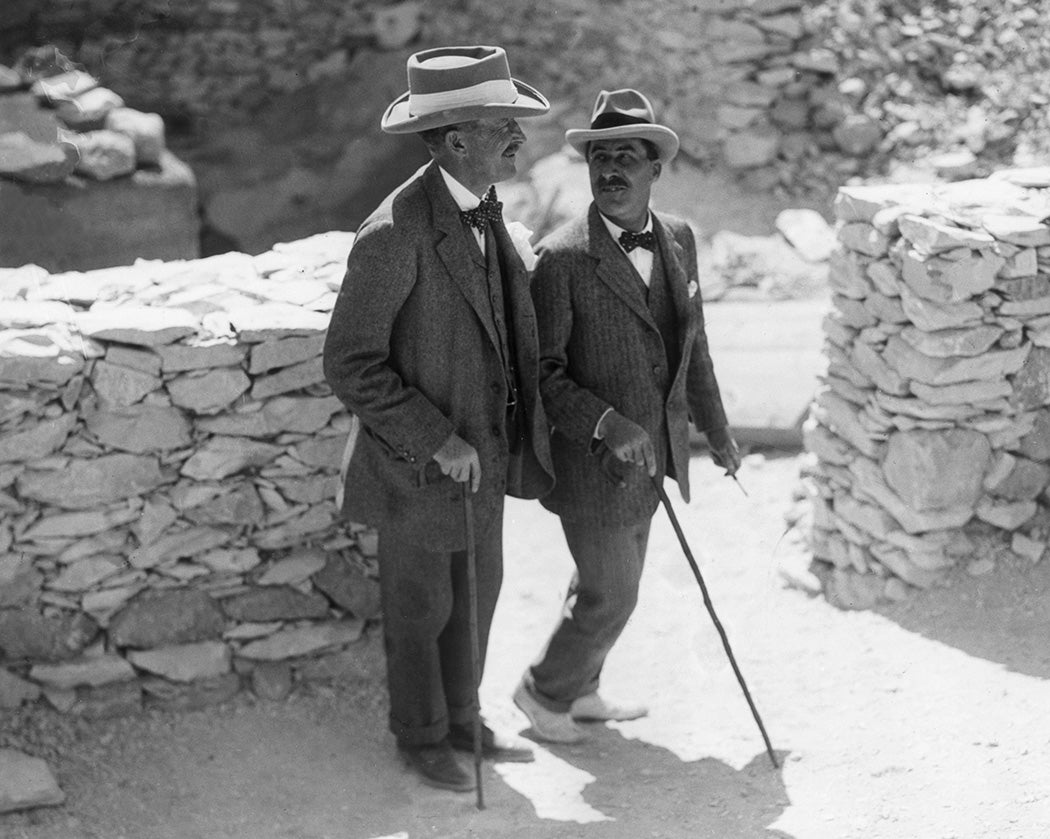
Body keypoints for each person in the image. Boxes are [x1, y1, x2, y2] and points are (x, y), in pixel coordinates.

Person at [323, 45, 555, 792]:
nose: (519, 139)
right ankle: (421, 736)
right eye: (504, 126)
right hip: (421, 466)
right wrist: (437, 437)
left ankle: (463, 716)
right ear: (457, 140)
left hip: (481, 463)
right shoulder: (394, 232)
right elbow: (351, 362)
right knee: (422, 608)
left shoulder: (487, 214)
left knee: (477, 597)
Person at [513, 89, 741, 743]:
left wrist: (717, 429)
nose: (611, 171)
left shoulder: (676, 238)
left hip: (654, 455)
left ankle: (581, 691)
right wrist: (606, 422)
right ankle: (542, 690)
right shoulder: (560, 259)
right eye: (600, 158)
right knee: (615, 593)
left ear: (654, 168)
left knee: (602, 579)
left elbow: (691, 342)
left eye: (627, 159)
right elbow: (541, 375)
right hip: (593, 464)